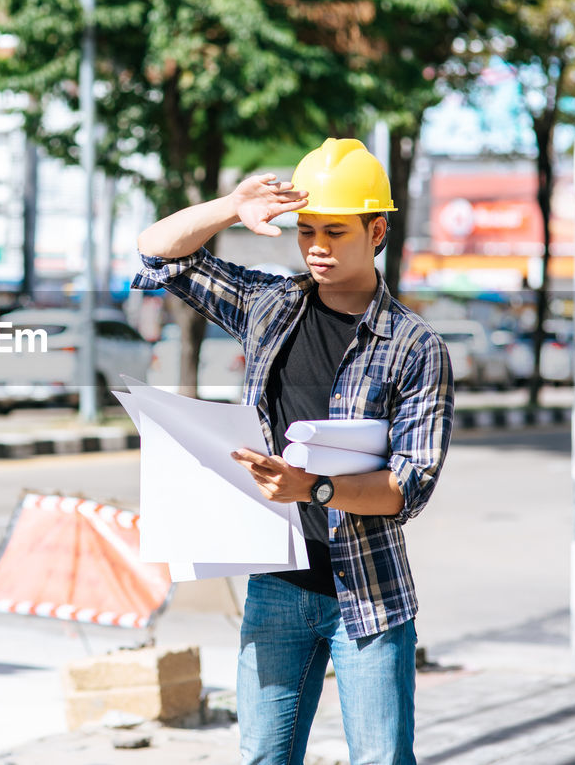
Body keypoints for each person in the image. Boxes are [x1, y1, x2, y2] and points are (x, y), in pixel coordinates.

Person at [132, 137, 454, 765]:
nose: (316, 247)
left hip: (369, 596)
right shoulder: (270, 305)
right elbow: (155, 254)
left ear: (377, 230)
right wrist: (231, 206)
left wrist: (313, 488)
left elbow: (407, 488)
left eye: (336, 231)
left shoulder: (417, 348)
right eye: (306, 230)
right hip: (276, 587)